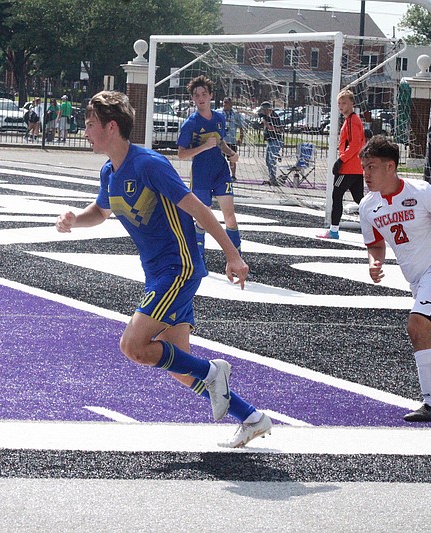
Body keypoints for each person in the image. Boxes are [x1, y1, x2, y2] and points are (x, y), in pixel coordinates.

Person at [56, 90, 273, 448]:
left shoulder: (150, 165)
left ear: (111, 126)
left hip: (179, 268)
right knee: (179, 366)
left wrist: (233, 255)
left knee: (134, 346)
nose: (85, 131)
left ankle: (214, 371)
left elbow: (199, 209)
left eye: (90, 124)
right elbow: (99, 212)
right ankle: (251, 417)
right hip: (158, 271)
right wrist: (73, 220)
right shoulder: (110, 171)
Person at [359, 135, 431, 422]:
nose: (366, 174)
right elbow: (375, 245)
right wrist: (374, 262)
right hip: (417, 282)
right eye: (364, 167)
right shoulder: (368, 206)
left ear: (391, 166)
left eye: (372, 167)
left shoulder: (423, 192)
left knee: (418, 326)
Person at [177, 76, 243, 265]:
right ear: (193, 99)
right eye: (197, 95)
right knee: (203, 219)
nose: (201, 98)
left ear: (211, 96)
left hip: (221, 172)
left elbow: (219, 142)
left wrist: (231, 153)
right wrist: (203, 147)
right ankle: (199, 257)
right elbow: (181, 154)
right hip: (201, 175)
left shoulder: (219, 117)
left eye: (204, 94)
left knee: (229, 216)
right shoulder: (190, 123)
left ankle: (236, 256)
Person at [318, 89, 365, 239]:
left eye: (344, 103)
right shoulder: (350, 120)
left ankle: (333, 230)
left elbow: (355, 144)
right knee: (360, 200)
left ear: (352, 103)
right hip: (355, 167)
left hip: (349, 167)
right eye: (339, 103)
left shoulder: (352, 120)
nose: (341, 106)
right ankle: (378, 226)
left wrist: (341, 160)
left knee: (336, 196)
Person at [218, 96, 246, 181]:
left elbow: (241, 127)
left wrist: (240, 137)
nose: (226, 105)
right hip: (221, 140)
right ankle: (219, 175)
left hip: (231, 140)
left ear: (231, 104)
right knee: (219, 159)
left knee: (232, 158)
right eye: (224, 103)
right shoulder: (218, 112)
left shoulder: (236, 114)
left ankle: (233, 175)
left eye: (228, 103)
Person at [259, 102, 283, 185]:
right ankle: (271, 177)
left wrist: (268, 126)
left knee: (271, 160)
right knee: (268, 161)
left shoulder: (274, 116)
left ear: (267, 109)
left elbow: (278, 129)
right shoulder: (265, 117)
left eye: (264, 109)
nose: (262, 111)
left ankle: (273, 179)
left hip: (275, 141)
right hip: (269, 141)